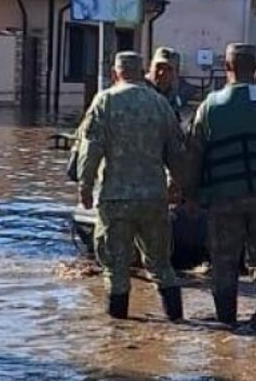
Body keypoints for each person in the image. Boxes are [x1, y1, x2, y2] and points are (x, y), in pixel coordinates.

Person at [183, 43, 256, 334]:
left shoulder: (209, 106)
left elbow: (194, 154)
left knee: (224, 262)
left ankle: (227, 321)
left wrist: (190, 194)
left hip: (223, 196)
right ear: (255, 66)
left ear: (227, 67)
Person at [78, 51, 185, 322]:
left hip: (116, 198)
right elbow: (177, 152)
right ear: (141, 72)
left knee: (116, 268)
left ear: (115, 73)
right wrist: (178, 185)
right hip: (153, 198)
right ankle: (177, 322)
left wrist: (85, 187)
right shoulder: (160, 104)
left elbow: (90, 149)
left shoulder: (105, 101)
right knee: (161, 265)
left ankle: (118, 331)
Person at [147, 46, 199, 118]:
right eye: (158, 67)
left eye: (168, 69)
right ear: (150, 67)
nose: (161, 73)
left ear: (176, 72)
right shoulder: (138, 90)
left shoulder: (184, 93)